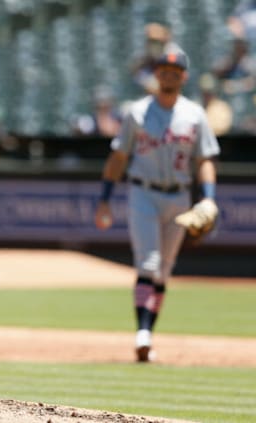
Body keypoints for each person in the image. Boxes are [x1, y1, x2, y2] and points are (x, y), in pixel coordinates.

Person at [94, 48, 221, 362]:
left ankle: (149, 332)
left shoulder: (194, 114)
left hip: (178, 196)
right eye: (163, 69)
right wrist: (105, 198)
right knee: (148, 263)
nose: (168, 74)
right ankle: (143, 334)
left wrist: (208, 198)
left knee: (164, 270)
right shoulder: (138, 112)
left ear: (183, 76)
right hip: (143, 193)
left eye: (174, 70)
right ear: (157, 74)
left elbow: (204, 159)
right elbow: (118, 157)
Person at [130, 23, 172, 95]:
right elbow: (139, 79)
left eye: (157, 41)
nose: (154, 45)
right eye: (151, 41)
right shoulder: (139, 59)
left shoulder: (175, 56)